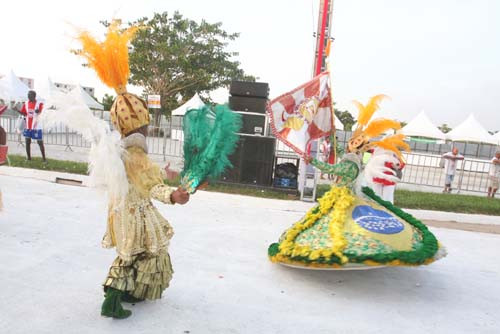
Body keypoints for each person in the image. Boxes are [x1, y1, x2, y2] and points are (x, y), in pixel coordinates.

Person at [268, 95, 445, 269]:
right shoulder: (351, 159)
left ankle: (340, 250)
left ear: (358, 148)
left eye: (358, 142)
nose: (354, 142)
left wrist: (312, 160)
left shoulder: (350, 163)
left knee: (334, 224)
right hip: (343, 195)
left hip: (343, 198)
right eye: (354, 140)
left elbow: (333, 170)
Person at [16, 90, 47, 162]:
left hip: (36, 127)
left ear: (34, 96)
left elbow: (43, 112)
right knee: (27, 142)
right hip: (28, 126)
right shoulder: (26, 103)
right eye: (28, 95)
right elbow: (24, 113)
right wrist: (17, 110)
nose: (28, 96)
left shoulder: (40, 104)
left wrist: (38, 111)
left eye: (29, 95)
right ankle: (29, 158)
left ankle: (44, 159)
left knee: (40, 143)